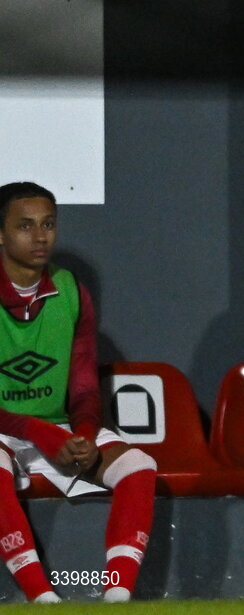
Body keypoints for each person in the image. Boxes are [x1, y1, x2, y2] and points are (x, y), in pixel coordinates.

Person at [0, 182, 157, 603]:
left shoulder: (70, 289)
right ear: (0, 233)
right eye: (25, 226)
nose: (40, 237)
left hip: (54, 427)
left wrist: (85, 433)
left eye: (48, 224)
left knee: (139, 465)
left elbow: (85, 386)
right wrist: (38, 431)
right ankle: (42, 598)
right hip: (7, 432)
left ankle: (117, 595)